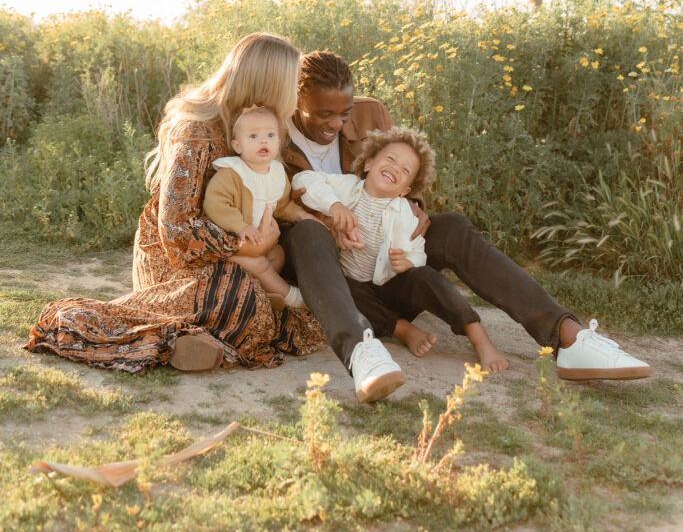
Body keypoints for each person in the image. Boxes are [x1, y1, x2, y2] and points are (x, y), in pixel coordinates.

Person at [278, 50, 652, 387]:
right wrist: (331, 223)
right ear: (297, 100)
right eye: (323, 114)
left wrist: (415, 209)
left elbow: (407, 171)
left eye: (343, 115)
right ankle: (362, 353)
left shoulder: (370, 111)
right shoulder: (274, 134)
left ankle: (568, 336)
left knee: (453, 225)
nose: (336, 125)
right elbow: (272, 209)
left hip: (390, 268)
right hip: (335, 283)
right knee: (308, 234)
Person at [25, 34, 326, 374]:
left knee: (287, 307)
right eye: (290, 84)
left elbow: (279, 193)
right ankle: (163, 335)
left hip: (236, 253)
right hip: (175, 257)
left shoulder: (264, 130)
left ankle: (190, 340)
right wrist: (247, 247)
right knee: (242, 297)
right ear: (268, 83)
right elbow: (176, 227)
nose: (294, 95)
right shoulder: (197, 130)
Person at [293, 126, 508, 384]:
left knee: (428, 278)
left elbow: (418, 251)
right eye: (390, 159)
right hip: (354, 293)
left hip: (390, 289)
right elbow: (303, 180)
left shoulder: (405, 212)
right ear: (369, 163)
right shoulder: (347, 188)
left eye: (405, 170)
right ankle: (403, 330)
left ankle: (478, 336)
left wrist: (408, 263)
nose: (395, 168)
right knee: (347, 291)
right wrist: (334, 205)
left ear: (406, 190)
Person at [203, 105, 305, 310]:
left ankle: (259, 292)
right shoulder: (232, 174)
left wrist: (299, 214)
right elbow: (215, 204)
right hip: (235, 247)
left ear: (278, 143)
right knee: (258, 264)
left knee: (278, 255)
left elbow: (282, 204)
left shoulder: (276, 173)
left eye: (270, 135)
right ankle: (290, 298)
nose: (263, 140)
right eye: (253, 136)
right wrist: (241, 227)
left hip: (262, 243)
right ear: (237, 146)